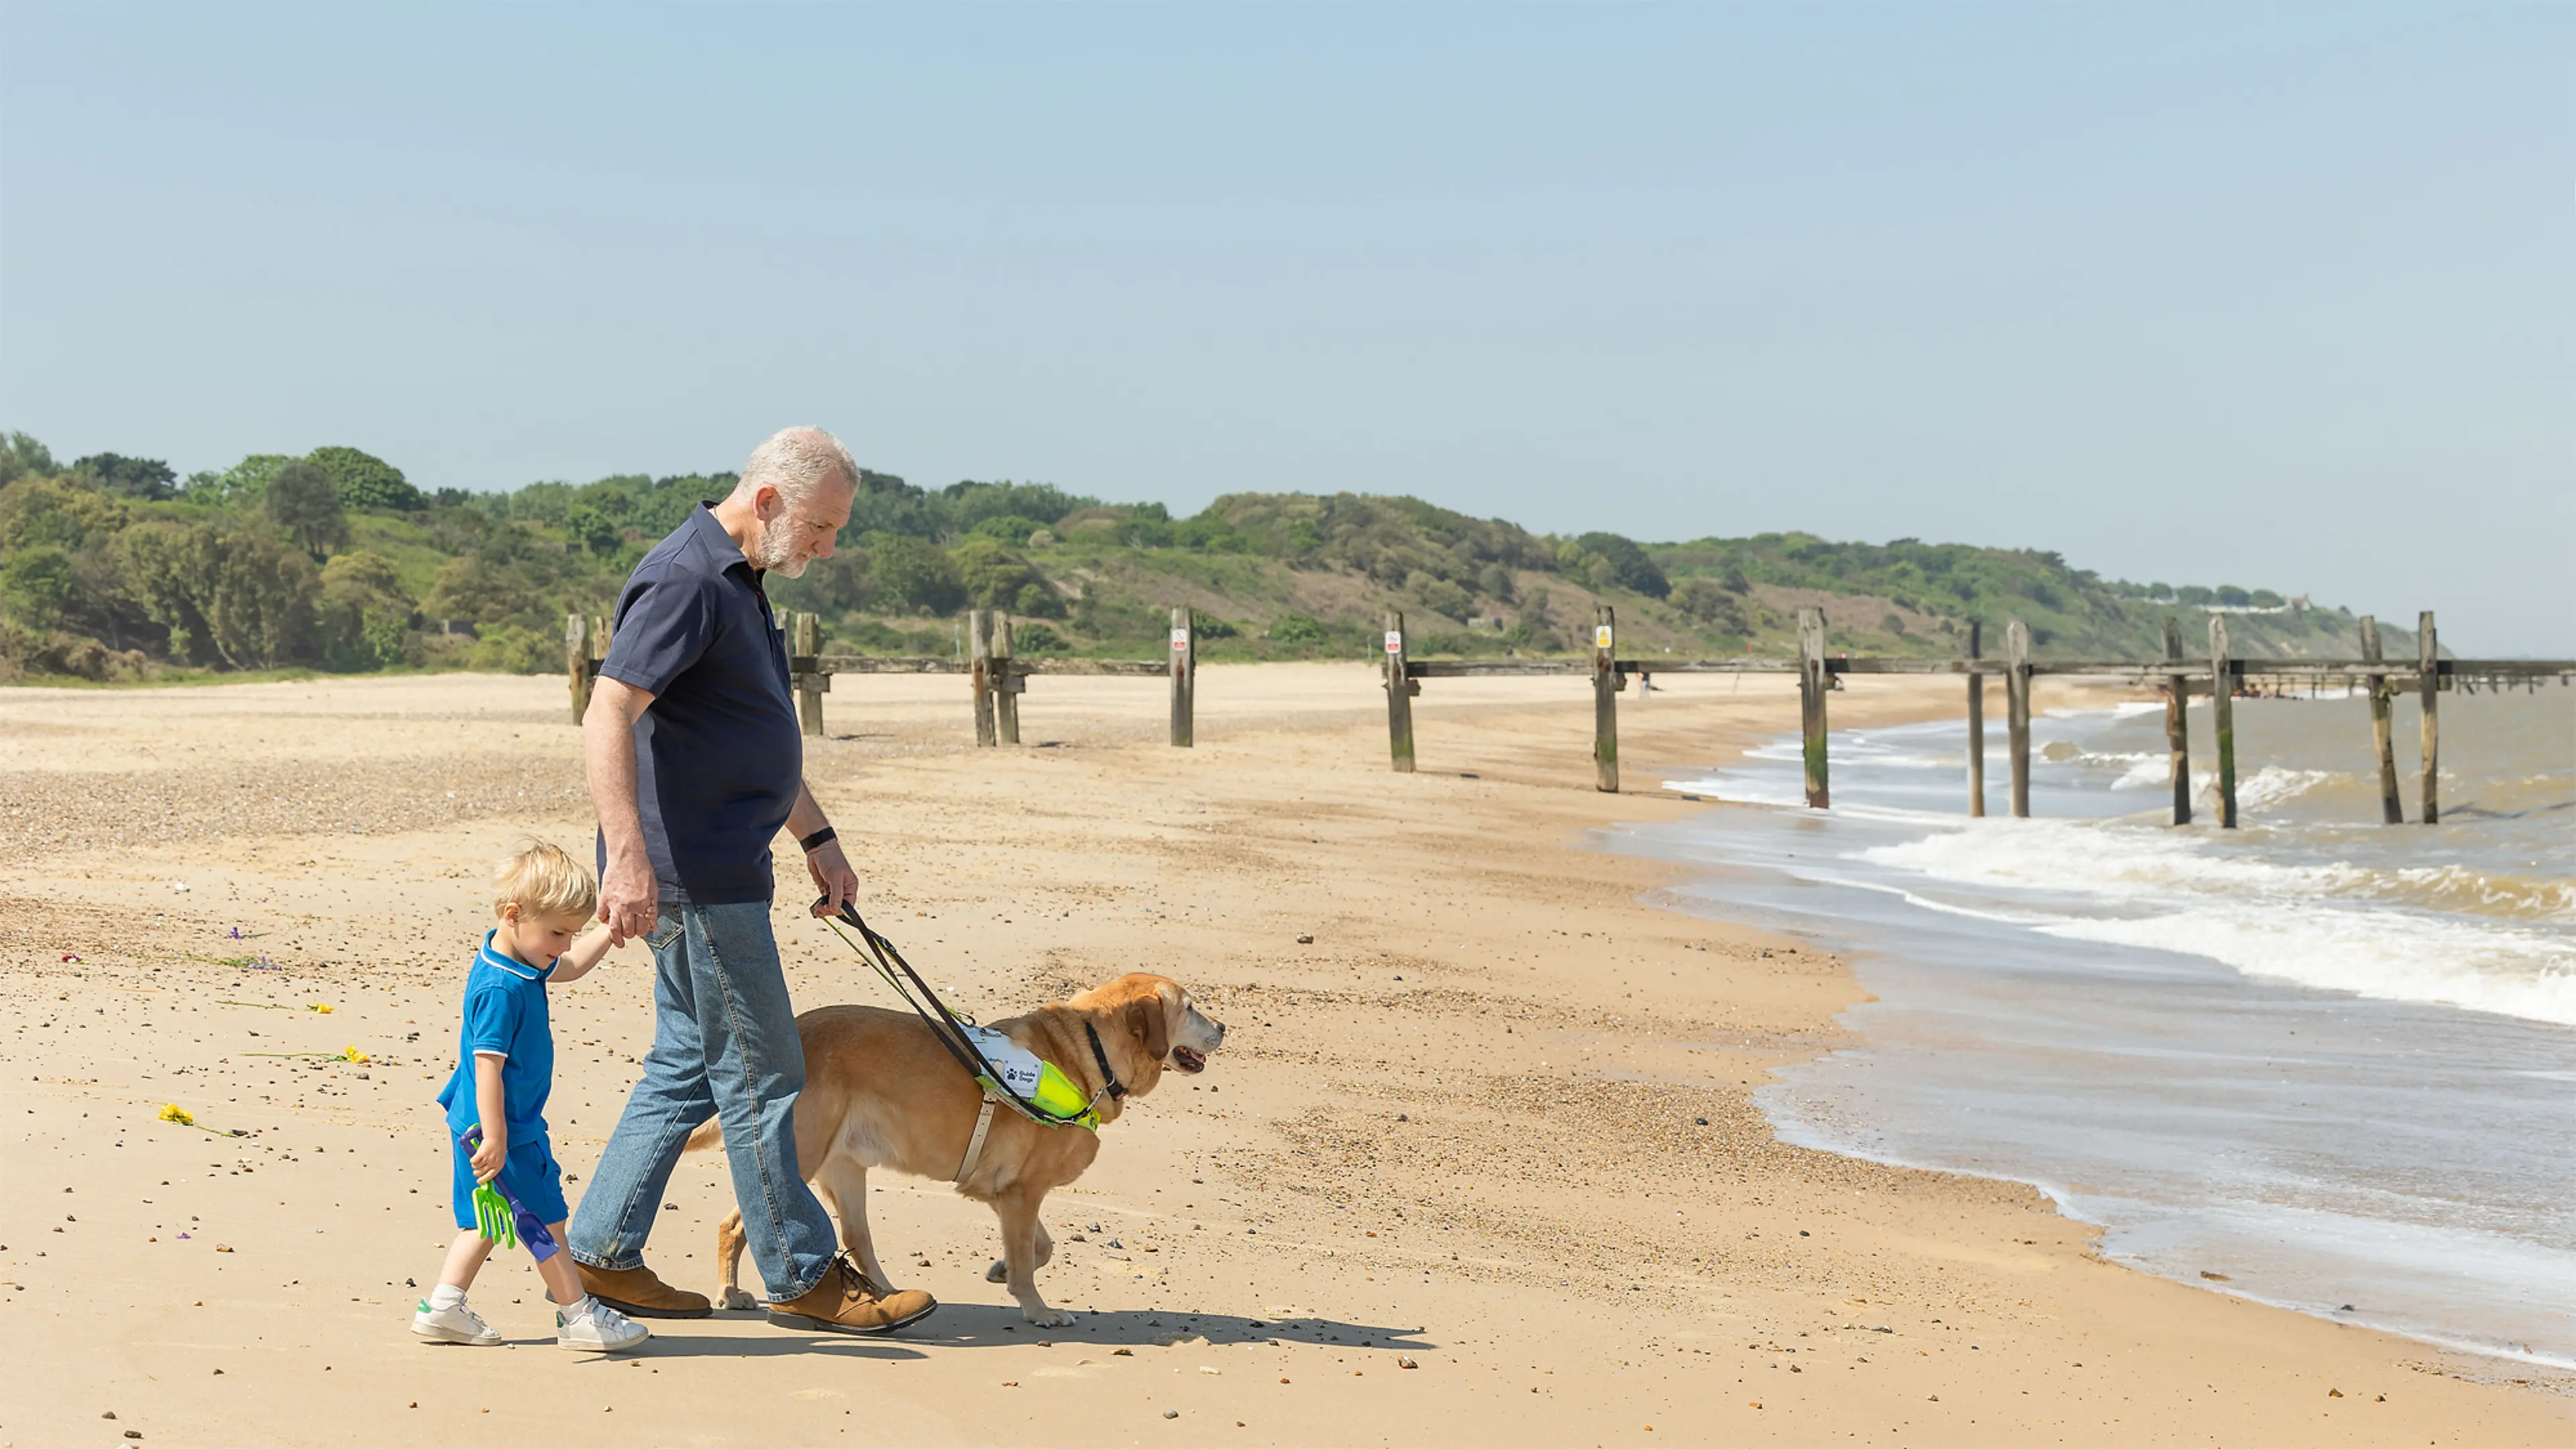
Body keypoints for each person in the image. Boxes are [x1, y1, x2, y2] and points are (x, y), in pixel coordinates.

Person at [566, 427, 936, 1335]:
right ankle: (804, 1272)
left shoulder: (743, 583)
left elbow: (745, 734)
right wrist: (629, 858)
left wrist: (818, 834)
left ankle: (602, 1252)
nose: (827, 546)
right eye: (821, 526)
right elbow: (608, 711)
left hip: (717, 868)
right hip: (693, 878)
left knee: (688, 1064)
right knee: (768, 1073)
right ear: (767, 500)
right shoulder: (689, 578)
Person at [412, 841, 649, 1352]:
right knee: (545, 1221)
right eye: (558, 932)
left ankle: (444, 1308)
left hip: (477, 1124)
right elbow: (487, 1066)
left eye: (572, 932)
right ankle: (578, 1315)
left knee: (485, 1220)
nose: (564, 945)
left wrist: (609, 931)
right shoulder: (501, 989)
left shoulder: (512, 954)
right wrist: (497, 1137)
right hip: (503, 1129)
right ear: (514, 915)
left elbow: (570, 967)